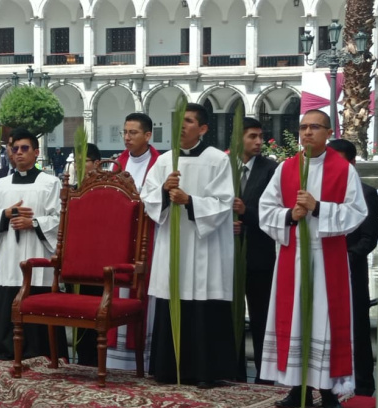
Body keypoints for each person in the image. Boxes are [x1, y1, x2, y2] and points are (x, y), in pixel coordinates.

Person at [258, 110, 367, 408]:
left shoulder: (343, 169)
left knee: (324, 321)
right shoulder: (286, 169)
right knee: (295, 318)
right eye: (303, 127)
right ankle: (298, 389)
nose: (307, 133)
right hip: (292, 255)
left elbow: (357, 212)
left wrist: (319, 208)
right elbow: (266, 210)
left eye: (314, 127)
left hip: (326, 256)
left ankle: (329, 391)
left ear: (328, 131)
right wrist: (288, 216)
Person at [141, 103, 236, 387]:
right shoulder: (164, 161)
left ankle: (206, 372)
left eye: (190, 121)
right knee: (173, 294)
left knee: (202, 301)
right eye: (179, 120)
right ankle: (168, 370)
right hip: (172, 242)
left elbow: (224, 202)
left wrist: (190, 201)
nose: (182, 126)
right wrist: (163, 192)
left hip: (204, 245)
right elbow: (147, 199)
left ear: (203, 129)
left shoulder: (217, 160)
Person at [0, 128, 68, 361]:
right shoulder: (0, 185)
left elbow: (61, 218)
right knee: (8, 301)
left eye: (25, 148)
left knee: (38, 296)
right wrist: (6, 213)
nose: (18, 153)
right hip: (10, 257)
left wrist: (34, 222)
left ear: (36, 152)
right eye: (14, 149)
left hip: (39, 257)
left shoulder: (50, 183)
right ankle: (4, 352)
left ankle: (42, 351)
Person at [88, 113, 160, 371]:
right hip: (119, 241)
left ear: (148, 135)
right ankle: (116, 359)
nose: (127, 138)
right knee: (117, 289)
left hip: (147, 239)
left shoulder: (160, 164)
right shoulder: (117, 163)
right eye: (125, 132)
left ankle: (145, 358)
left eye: (133, 133)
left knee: (143, 291)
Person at [328, 138, 378, 397]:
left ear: (352, 163)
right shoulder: (321, 191)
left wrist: (344, 259)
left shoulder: (367, 192)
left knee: (358, 326)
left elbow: (368, 238)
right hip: (324, 270)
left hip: (351, 271)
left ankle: (363, 383)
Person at [233, 117, 278, 384]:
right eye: (252, 136)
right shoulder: (223, 168)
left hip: (260, 256)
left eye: (260, 136)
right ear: (239, 138)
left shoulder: (271, 170)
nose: (259, 141)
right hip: (228, 255)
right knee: (231, 316)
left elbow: (276, 212)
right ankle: (235, 371)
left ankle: (265, 375)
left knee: (262, 317)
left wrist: (246, 214)